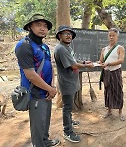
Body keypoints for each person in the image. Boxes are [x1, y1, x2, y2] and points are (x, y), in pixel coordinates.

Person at [15, 14, 60, 147]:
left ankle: (45, 141)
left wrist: (51, 87)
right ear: (29, 27)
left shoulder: (44, 47)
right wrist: (50, 89)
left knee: (45, 121)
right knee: (37, 125)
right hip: (34, 93)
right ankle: (39, 144)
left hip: (47, 91)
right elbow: (31, 75)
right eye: (38, 25)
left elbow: (49, 66)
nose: (42, 29)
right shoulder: (24, 46)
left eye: (45, 26)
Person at [54, 25, 94, 143]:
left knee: (69, 105)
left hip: (71, 81)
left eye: (70, 34)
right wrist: (87, 65)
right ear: (59, 36)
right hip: (66, 83)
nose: (68, 35)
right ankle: (68, 131)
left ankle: (70, 121)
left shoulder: (67, 48)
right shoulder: (61, 49)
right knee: (67, 107)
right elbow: (73, 66)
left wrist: (84, 62)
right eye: (65, 33)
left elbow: (74, 61)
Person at [99, 28, 125, 120]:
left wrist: (109, 64)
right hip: (106, 73)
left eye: (113, 35)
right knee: (107, 91)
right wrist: (98, 64)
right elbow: (101, 61)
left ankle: (120, 112)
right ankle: (109, 111)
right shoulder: (104, 49)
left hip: (116, 72)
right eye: (110, 35)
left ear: (117, 37)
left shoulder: (120, 48)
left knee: (118, 90)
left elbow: (121, 60)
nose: (111, 37)